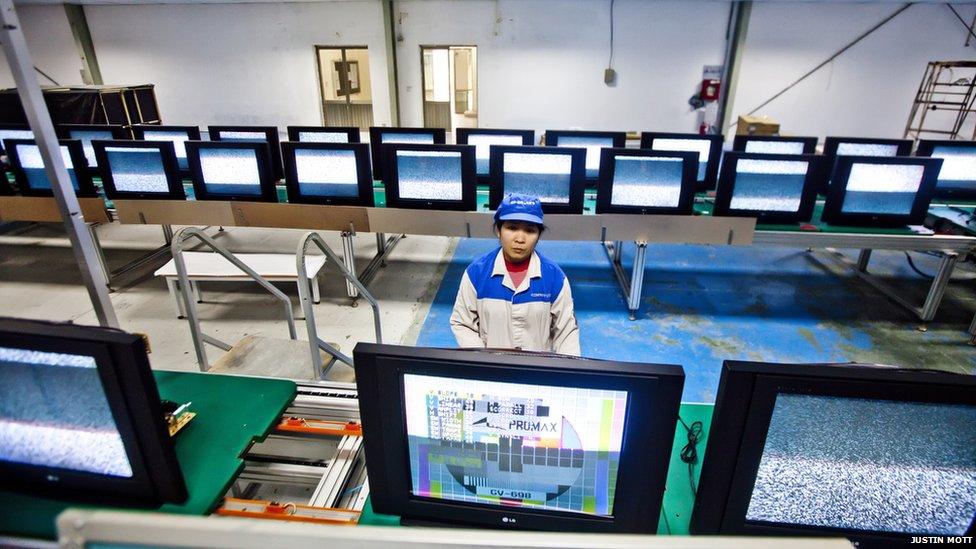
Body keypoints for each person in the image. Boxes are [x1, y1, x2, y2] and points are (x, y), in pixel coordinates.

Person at [450, 194, 580, 355]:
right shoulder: (476, 274)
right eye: (512, 228)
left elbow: (567, 333)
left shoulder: (554, 278)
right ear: (498, 230)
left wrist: (567, 374)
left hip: (536, 370)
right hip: (491, 369)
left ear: (538, 236)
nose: (520, 238)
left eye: (530, 230)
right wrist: (483, 361)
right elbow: (462, 323)